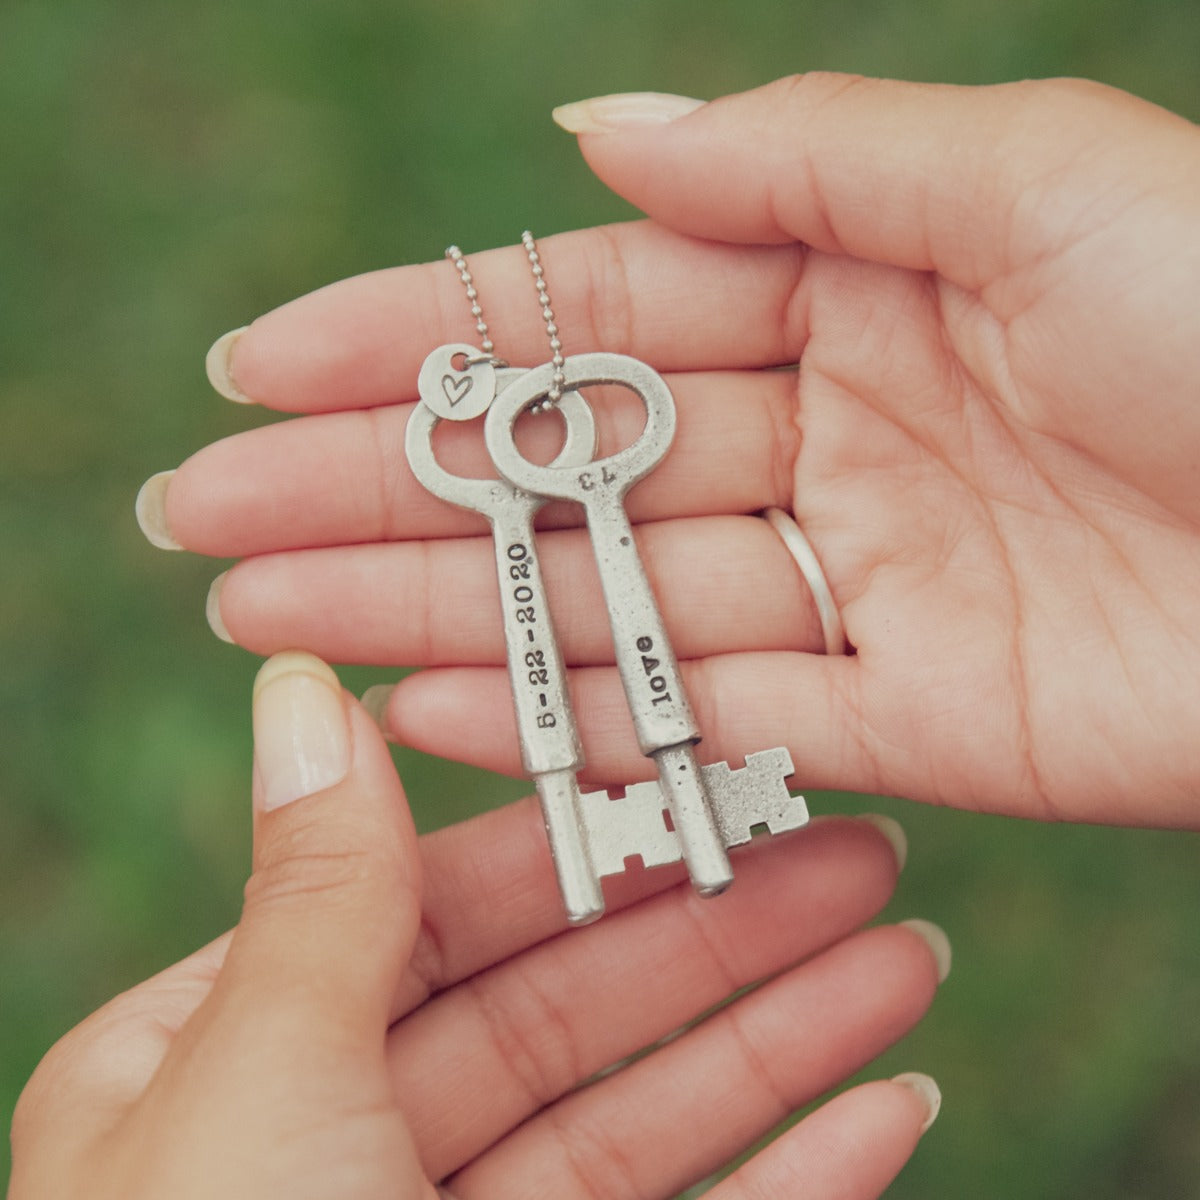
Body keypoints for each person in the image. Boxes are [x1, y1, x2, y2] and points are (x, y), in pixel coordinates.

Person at [12, 70, 1199, 1195]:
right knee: (578, 692)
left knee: (642, 712)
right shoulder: (524, 486)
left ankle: (680, 828)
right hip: (569, 551)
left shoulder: (577, 467)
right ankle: (649, 836)